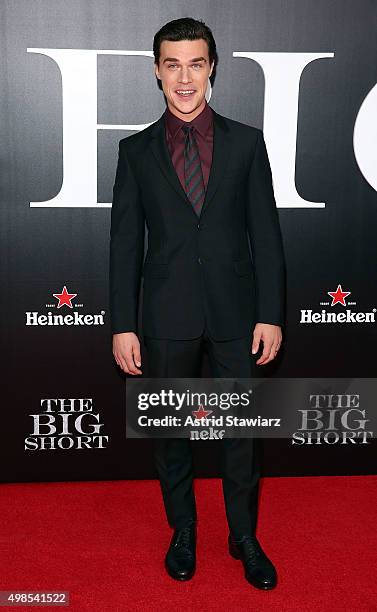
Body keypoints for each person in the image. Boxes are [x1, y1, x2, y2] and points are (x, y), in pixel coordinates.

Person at [109, 17, 286, 590]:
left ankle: (244, 536)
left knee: (242, 435)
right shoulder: (134, 151)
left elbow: (267, 235)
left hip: (237, 315)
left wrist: (271, 312)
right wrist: (123, 324)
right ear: (157, 72)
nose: (184, 78)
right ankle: (182, 530)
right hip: (164, 316)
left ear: (212, 68)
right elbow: (124, 244)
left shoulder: (247, 142)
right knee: (171, 433)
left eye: (195, 64)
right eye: (172, 64)